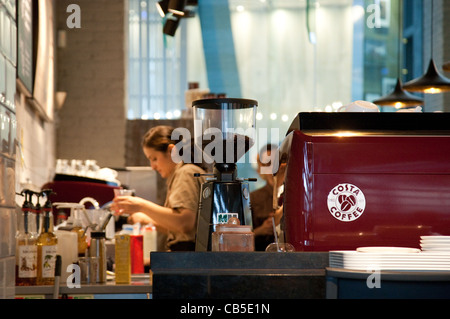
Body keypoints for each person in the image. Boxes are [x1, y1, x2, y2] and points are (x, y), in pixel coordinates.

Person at [112, 125, 206, 251]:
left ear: (172, 151)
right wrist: (145, 219)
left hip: (189, 257)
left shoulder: (186, 173)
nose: (153, 167)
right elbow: (177, 230)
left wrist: (141, 205)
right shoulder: (182, 174)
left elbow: (184, 223)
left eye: (154, 159)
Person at [250, 144, 285, 251]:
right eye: (266, 164)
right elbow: (239, 235)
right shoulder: (253, 198)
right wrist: (261, 230)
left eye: (276, 163)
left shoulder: (294, 195)